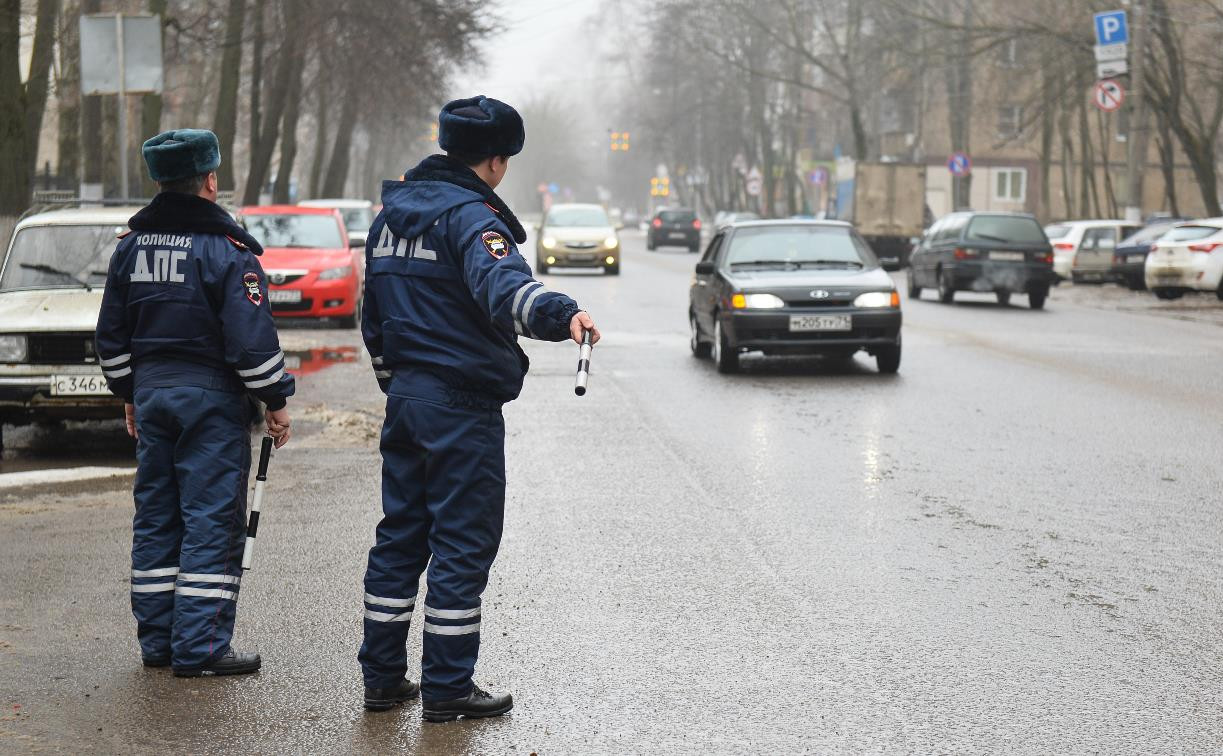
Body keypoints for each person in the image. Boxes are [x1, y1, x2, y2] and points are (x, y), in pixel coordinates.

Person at [358, 95, 600, 721]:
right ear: (495, 160)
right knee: (462, 544)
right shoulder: (472, 220)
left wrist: (397, 382)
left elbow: (373, 315)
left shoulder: (389, 218)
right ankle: (447, 690)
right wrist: (563, 313)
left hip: (407, 399)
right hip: (460, 408)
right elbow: (507, 291)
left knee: (400, 538)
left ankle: (383, 678)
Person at [95, 129, 295, 677]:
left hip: (154, 397)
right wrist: (276, 402)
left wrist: (131, 394)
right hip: (211, 402)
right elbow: (252, 345)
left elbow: (111, 338)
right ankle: (202, 647)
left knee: (157, 518)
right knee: (211, 522)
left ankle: (159, 643)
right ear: (210, 180)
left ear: (160, 180)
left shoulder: (130, 248)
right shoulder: (229, 252)